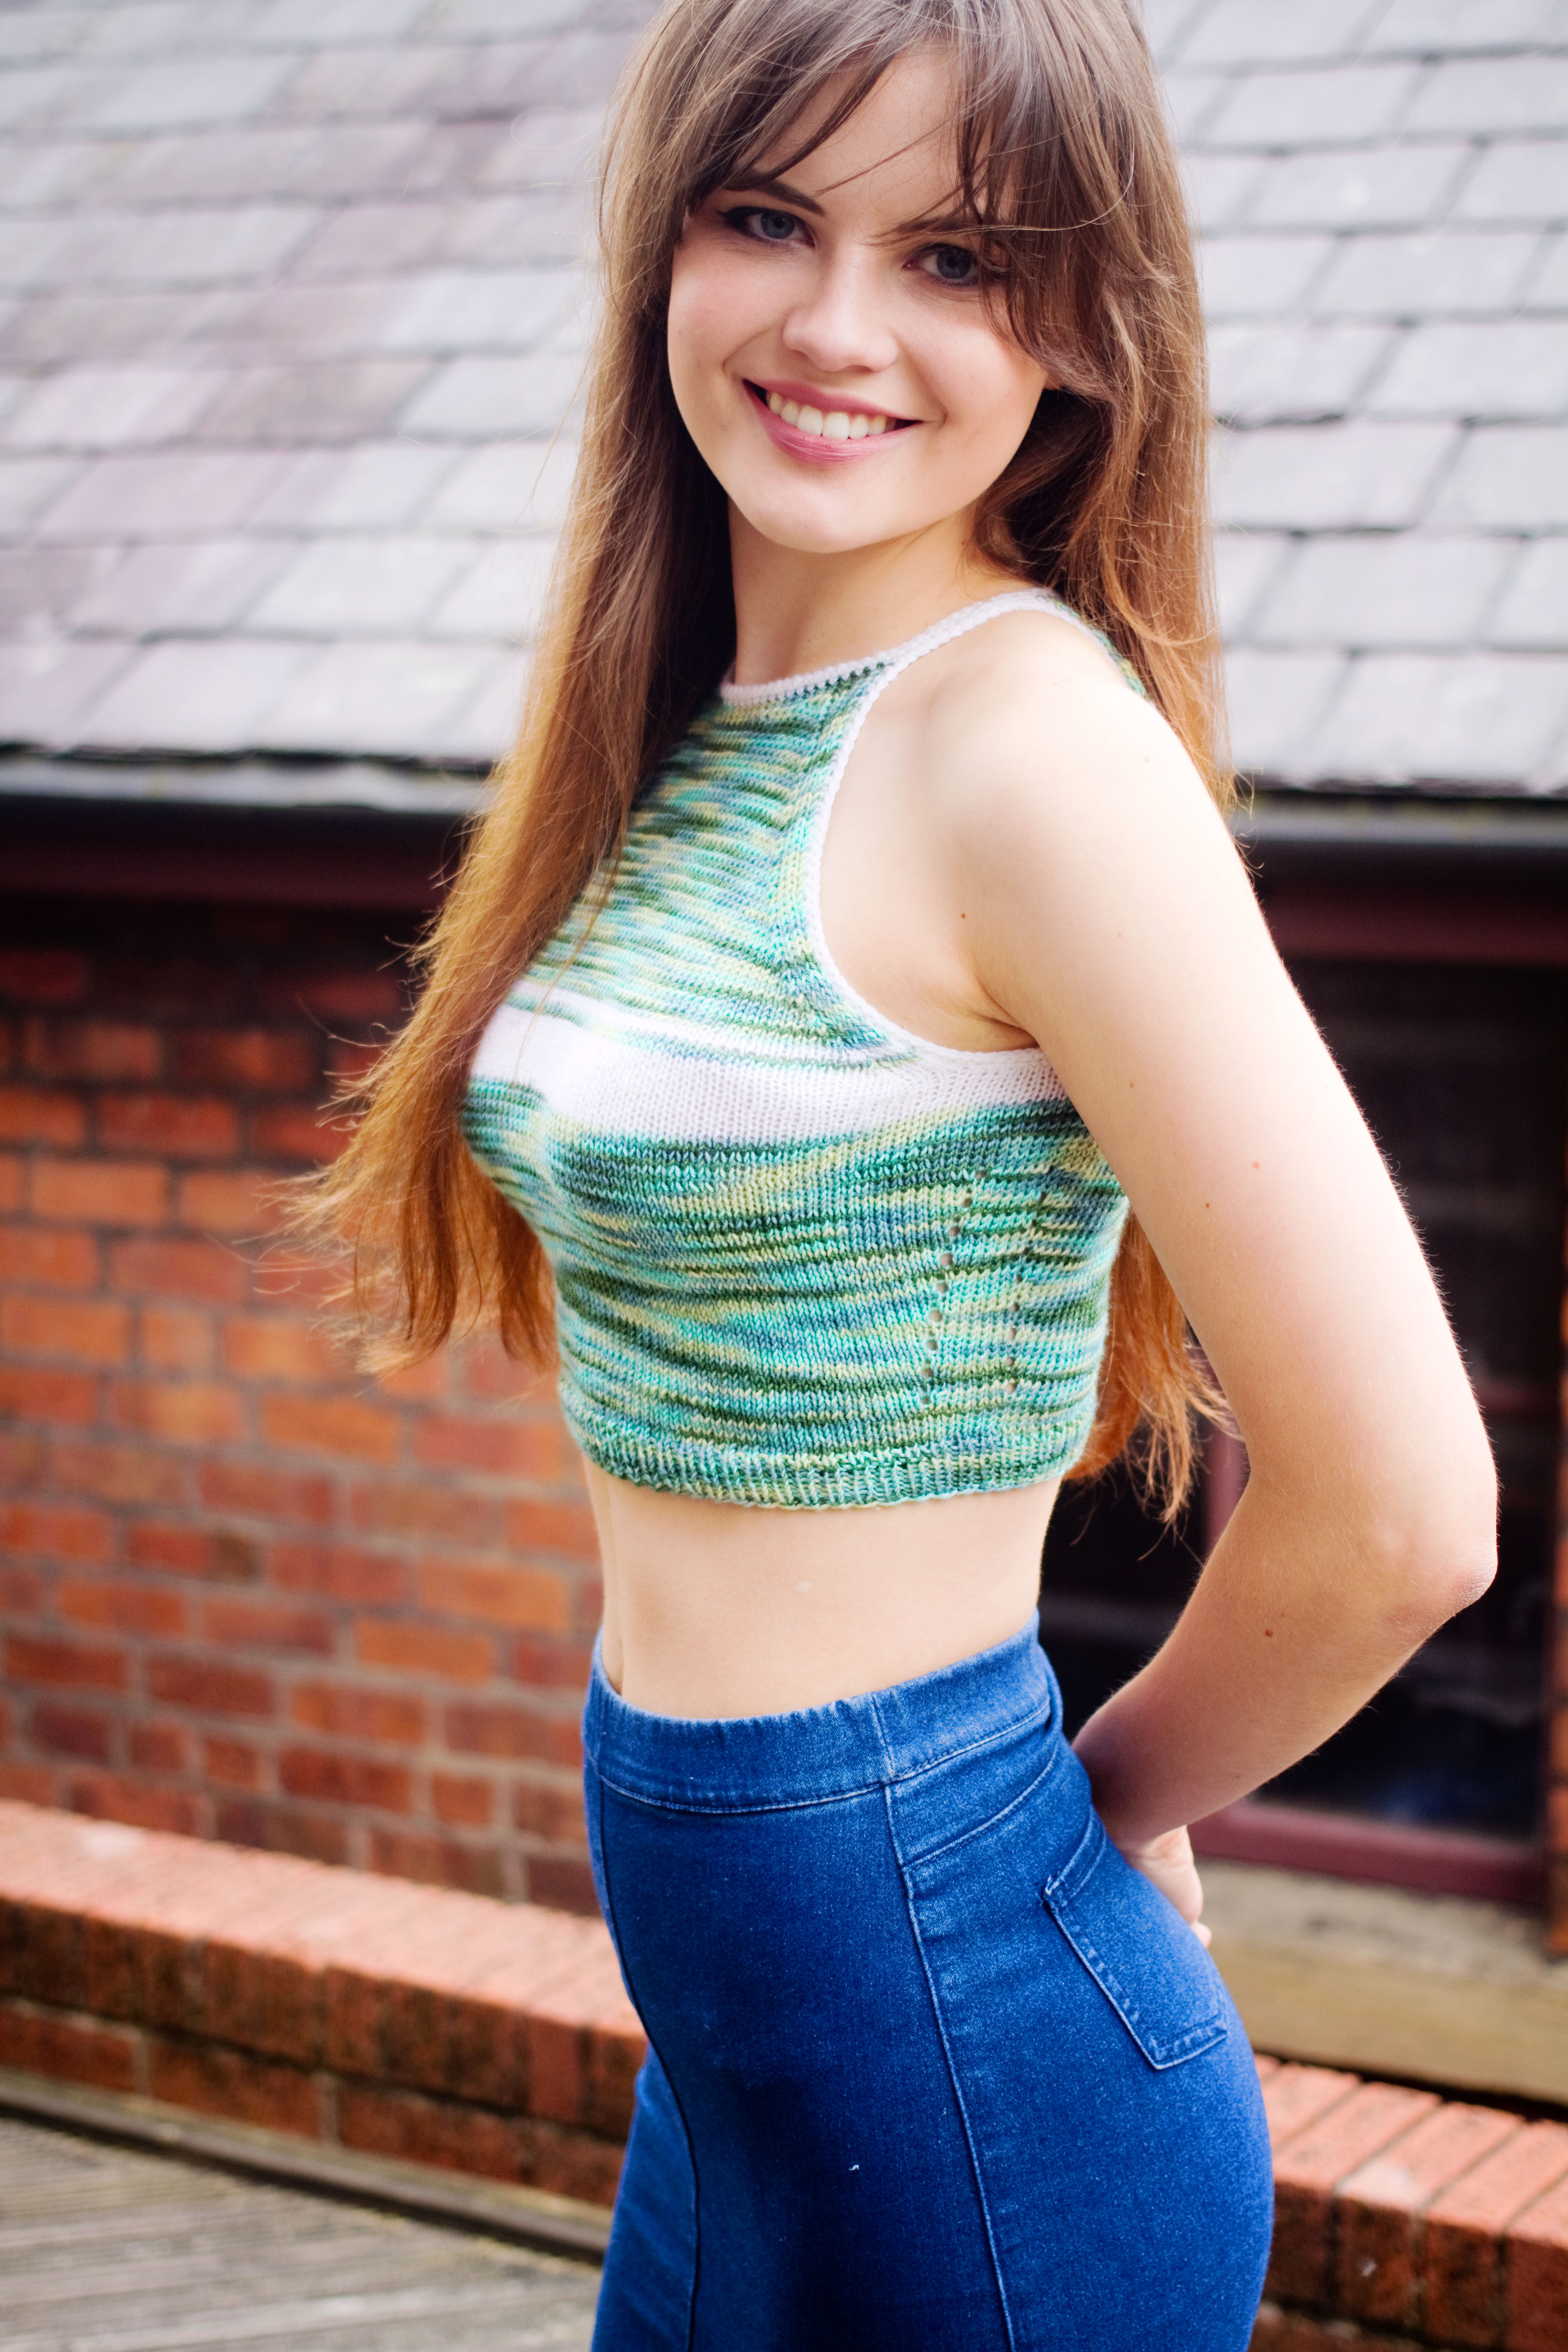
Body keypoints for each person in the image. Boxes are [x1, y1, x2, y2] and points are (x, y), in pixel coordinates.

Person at [307, 1, 1497, 2342]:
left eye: (957, 256)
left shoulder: (1032, 755)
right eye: (767, 217)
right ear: (666, 234)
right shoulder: (685, 732)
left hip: (970, 2059)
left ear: (1081, 324)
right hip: (752, 2045)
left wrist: (1087, 1810)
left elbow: (1408, 1509)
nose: (838, 327)